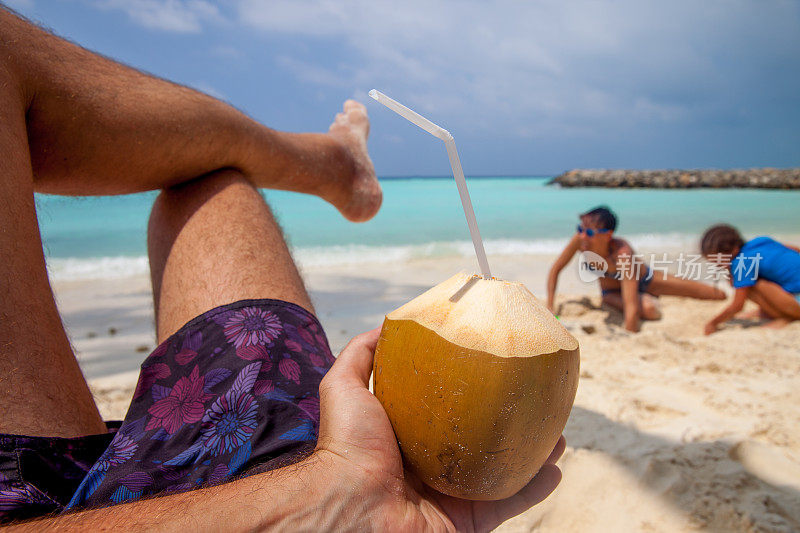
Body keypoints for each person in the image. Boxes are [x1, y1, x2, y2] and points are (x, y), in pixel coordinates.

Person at [0, 6, 564, 530]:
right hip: (293, 486)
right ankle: (330, 164)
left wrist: (344, 495)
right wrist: (339, 500)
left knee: (210, 184)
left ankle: (332, 165)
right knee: (210, 180)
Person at [547, 206, 725, 333]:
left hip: (646, 281)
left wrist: (629, 332)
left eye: (590, 232)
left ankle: (650, 295)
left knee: (715, 294)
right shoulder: (581, 241)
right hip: (611, 293)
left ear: (608, 235)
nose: (583, 235)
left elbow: (631, 306)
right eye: (580, 229)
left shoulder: (622, 253)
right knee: (649, 310)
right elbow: (556, 270)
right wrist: (550, 304)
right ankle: (648, 300)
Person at [700, 224, 800, 334]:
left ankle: (785, 317)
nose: (717, 266)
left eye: (718, 262)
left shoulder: (741, 262)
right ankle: (769, 311)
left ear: (733, 251)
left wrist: (713, 323)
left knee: (750, 285)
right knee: (764, 274)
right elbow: (795, 250)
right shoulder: (761, 241)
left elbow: (738, 305)